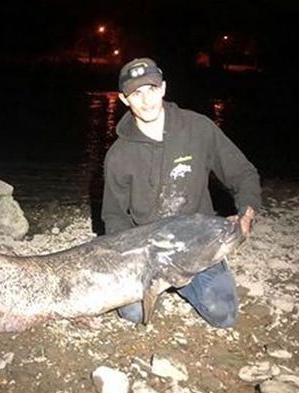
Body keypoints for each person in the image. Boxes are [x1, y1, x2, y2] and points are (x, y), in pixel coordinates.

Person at [101, 57, 261, 328]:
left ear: (163, 88)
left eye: (151, 89)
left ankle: (185, 284)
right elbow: (114, 216)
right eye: (136, 93)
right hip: (148, 251)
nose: (146, 100)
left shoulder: (199, 128)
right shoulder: (118, 155)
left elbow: (243, 174)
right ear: (124, 100)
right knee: (133, 314)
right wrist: (129, 259)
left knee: (224, 315)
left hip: (198, 242)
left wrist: (247, 211)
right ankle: (158, 287)